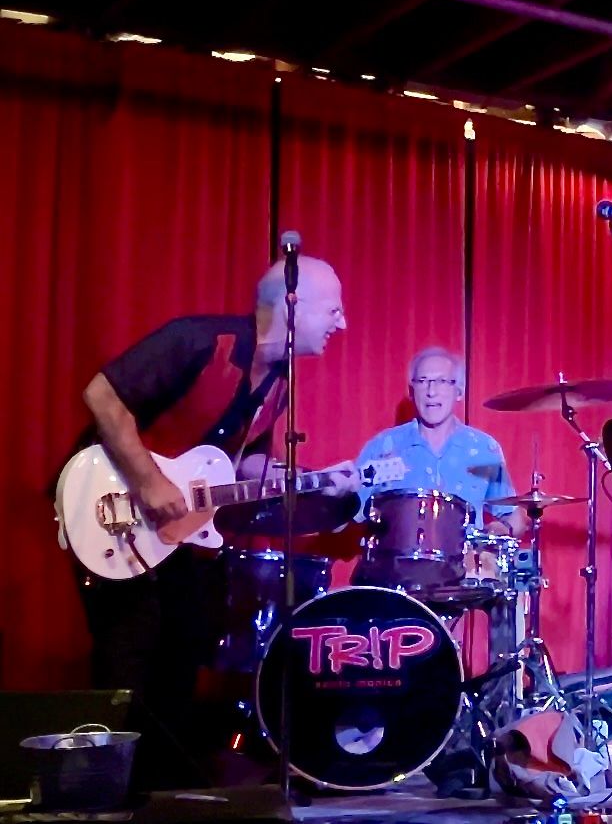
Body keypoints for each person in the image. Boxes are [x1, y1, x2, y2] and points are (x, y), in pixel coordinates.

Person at [62, 254, 356, 789]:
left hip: (178, 537)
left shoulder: (280, 383)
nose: (343, 323)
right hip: (111, 510)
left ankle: (157, 792)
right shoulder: (199, 341)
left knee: (184, 649)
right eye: (334, 310)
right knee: (128, 653)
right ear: (293, 305)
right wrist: (150, 482)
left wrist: (315, 480)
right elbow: (101, 395)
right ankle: (102, 789)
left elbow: (245, 464)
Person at [352, 346, 523, 716]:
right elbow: (352, 509)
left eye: (442, 382)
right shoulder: (385, 447)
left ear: (458, 391)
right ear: (411, 389)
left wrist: (496, 530)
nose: (431, 391)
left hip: (460, 574)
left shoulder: (481, 449)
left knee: (505, 595)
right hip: (395, 575)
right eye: (423, 381)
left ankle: (493, 711)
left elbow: (513, 515)